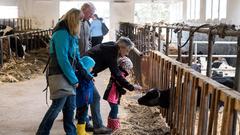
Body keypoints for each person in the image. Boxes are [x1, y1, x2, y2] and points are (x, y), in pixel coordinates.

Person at [36, 8, 93, 135]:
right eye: (80, 21)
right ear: (74, 20)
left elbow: (77, 57)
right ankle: (42, 132)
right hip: (59, 74)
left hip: (68, 74)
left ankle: (71, 132)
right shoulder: (61, 33)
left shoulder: (71, 34)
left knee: (70, 108)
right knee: (57, 106)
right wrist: (74, 79)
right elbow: (62, 59)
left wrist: (87, 75)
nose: (81, 24)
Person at [83, 36, 142, 134]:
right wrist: (131, 87)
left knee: (87, 98)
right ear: (121, 47)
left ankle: (85, 122)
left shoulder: (111, 46)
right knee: (94, 97)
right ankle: (98, 127)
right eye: (127, 51)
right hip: (83, 73)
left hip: (86, 73)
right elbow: (116, 73)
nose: (126, 54)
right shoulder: (112, 51)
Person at [103, 56, 141, 131]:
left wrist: (122, 90)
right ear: (124, 67)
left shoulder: (118, 72)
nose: (129, 70)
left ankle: (110, 126)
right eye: (128, 68)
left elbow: (120, 84)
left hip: (113, 94)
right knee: (114, 110)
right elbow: (123, 83)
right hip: (112, 94)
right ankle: (113, 127)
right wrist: (132, 87)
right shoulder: (119, 74)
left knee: (114, 110)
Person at [75, 56, 95, 135]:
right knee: (82, 114)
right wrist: (90, 79)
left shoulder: (81, 74)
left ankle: (81, 130)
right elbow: (84, 87)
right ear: (86, 67)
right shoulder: (83, 76)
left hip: (83, 99)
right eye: (91, 67)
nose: (92, 69)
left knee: (82, 114)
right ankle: (81, 131)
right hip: (83, 99)